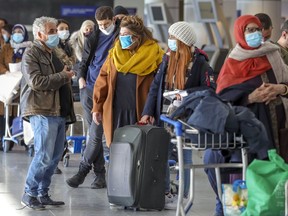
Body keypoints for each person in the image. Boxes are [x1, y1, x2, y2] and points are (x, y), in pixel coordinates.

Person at [204, 15, 288, 216]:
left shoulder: (274, 55)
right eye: (249, 30)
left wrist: (280, 88)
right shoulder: (233, 61)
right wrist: (250, 97)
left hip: (274, 132)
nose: (255, 34)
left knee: (269, 180)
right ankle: (231, 212)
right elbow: (221, 101)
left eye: (257, 29)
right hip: (241, 137)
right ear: (240, 33)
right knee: (237, 180)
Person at [140, 21, 216, 209]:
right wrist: (147, 112)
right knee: (162, 155)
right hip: (165, 115)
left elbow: (210, 89)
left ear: (183, 41)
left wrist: (185, 94)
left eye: (173, 38)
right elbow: (156, 87)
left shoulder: (200, 62)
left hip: (186, 118)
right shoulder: (167, 58)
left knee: (185, 157)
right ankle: (165, 192)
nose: (170, 41)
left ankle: (183, 194)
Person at [20, 16, 75, 210]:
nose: (55, 34)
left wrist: (67, 72)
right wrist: (63, 76)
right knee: (43, 154)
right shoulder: (31, 54)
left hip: (59, 109)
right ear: (40, 34)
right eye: (51, 31)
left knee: (55, 155)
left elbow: (69, 67)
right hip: (42, 109)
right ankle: (29, 193)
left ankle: (43, 193)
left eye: (55, 31)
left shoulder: (55, 52)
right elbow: (36, 82)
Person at [66, 6, 121, 189]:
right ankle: (99, 176)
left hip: (108, 89)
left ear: (113, 20)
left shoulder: (121, 34)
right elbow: (85, 61)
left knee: (96, 135)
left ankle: (83, 172)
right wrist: (81, 77)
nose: (102, 27)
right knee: (94, 134)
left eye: (105, 23)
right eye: (99, 24)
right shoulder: (93, 36)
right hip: (89, 87)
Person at [92, 14, 164, 147]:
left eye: (125, 34)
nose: (121, 38)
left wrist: (152, 111)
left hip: (141, 111)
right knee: (117, 148)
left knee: (139, 150)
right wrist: (97, 107)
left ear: (137, 37)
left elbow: (158, 87)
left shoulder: (155, 54)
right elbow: (102, 80)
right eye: (120, 34)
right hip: (116, 110)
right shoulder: (114, 54)